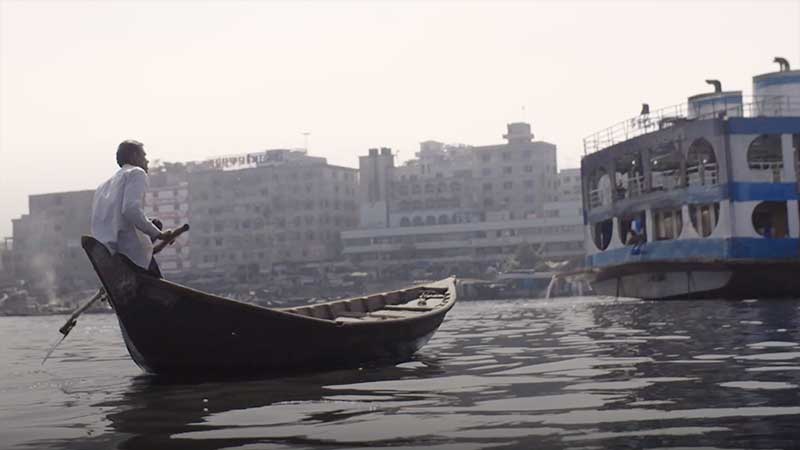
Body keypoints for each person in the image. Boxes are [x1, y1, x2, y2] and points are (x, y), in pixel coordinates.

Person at [91, 140, 173, 276]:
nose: (147, 162)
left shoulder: (102, 186)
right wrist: (159, 234)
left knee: (155, 223)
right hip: (129, 254)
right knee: (163, 292)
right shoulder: (136, 173)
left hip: (107, 252)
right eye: (144, 157)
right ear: (134, 156)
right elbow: (130, 210)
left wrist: (154, 229)